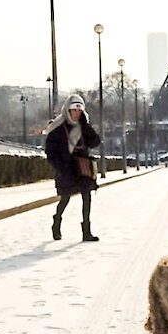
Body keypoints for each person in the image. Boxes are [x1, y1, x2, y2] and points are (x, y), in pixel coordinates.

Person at [43, 94, 102, 242]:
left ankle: (86, 231)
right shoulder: (57, 127)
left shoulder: (83, 126)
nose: (76, 114)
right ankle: (56, 223)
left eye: (79, 111)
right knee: (65, 198)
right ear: (67, 110)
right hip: (66, 167)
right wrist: (61, 167)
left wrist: (85, 125)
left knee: (87, 196)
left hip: (82, 167)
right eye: (74, 110)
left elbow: (95, 142)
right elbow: (50, 151)